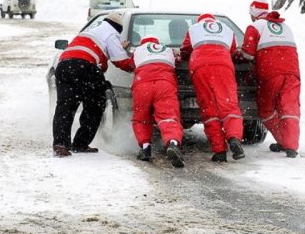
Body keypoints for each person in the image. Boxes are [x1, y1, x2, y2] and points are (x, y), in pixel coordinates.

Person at [52, 11, 133, 157]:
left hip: (64, 66)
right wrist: (139, 65)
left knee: (65, 106)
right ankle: (80, 143)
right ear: (118, 27)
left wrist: (116, 47)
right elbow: (121, 61)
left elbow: (96, 48)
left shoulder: (91, 31)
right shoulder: (112, 34)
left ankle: (60, 144)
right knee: (95, 106)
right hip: (85, 67)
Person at [179, 14, 245, 162]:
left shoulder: (194, 29)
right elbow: (233, 51)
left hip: (200, 67)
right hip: (223, 65)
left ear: (200, 21)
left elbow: (185, 49)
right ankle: (234, 138)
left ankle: (219, 151)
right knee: (228, 106)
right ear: (214, 22)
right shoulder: (227, 29)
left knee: (209, 109)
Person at [240, 0, 301, 158]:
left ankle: (283, 139)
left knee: (267, 108)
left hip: (270, 73)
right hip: (292, 73)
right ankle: (291, 146)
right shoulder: (285, 26)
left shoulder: (255, 27)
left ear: (253, 13)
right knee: (289, 108)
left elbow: (247, 54)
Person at [129, 35, 185, 168]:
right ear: (158, 44)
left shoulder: (138, 51)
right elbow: (178, 60)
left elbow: (129, 64)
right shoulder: (167, 50)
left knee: (141, 118)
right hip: (165, 84)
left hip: (142, 84)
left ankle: (145, 147)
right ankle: (172, 143)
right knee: (168, 117)